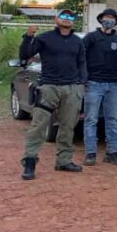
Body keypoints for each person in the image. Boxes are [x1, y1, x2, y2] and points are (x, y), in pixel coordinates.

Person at [19, 9, 87, 180]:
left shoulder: (77, 41)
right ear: (56, 19)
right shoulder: (45, 38)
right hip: (49, 87)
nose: (67, 19)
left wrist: (81, 83)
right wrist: (28, 36)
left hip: (71, 88)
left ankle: (64, 161)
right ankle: (30, 162)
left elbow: (82, 63)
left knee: (68, 126)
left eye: (71, 17)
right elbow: (25, 54)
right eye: (64, 16)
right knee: (38, 125)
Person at [82, 8, 117, 167]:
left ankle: (113, 152)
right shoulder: (91, 38)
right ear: (101, 19)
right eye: (106, 17)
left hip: (114, 85)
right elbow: (80, 58)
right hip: (93, 84)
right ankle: (90, 153)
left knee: (112, 119)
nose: (109, 20)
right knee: (91, 119)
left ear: (116, 21)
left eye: (112, 18)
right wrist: (82, 80)